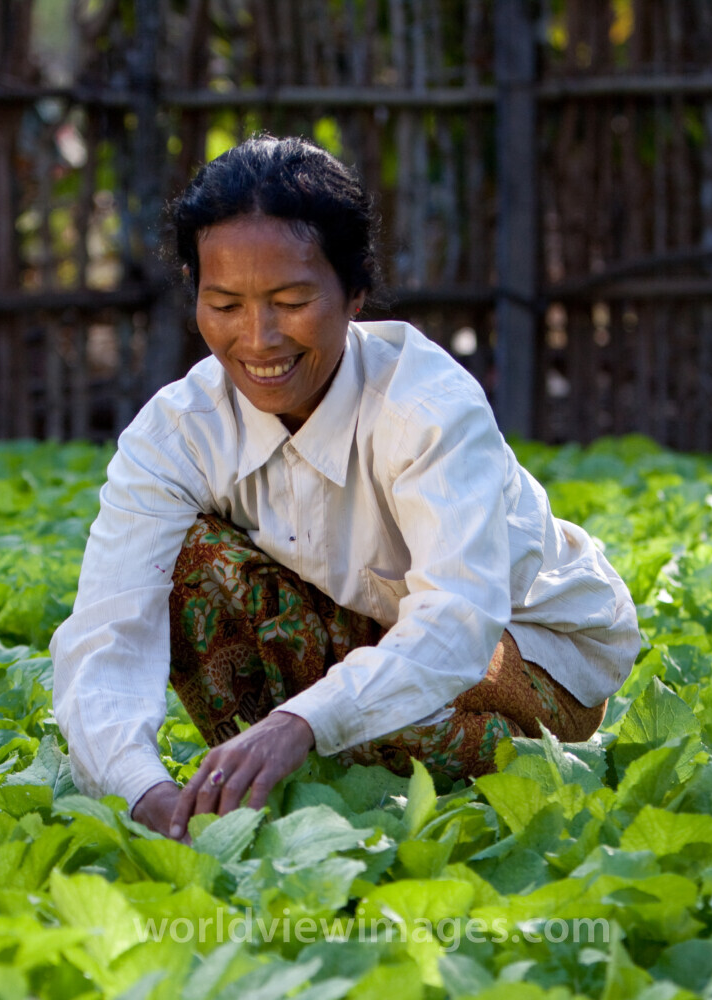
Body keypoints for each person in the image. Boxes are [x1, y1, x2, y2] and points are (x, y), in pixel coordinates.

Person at [50, 135, 643, 840]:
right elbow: (106, 631)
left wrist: (303, 719)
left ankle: (464, 773)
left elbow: (458, 623)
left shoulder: (426, 407)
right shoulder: (179, 430)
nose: (259, 337)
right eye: (225, 305)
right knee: (185, 561)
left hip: (530, 652)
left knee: (398, 713)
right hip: (360, 639)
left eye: (291, 300)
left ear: (353, 294)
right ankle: (275, 783)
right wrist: (137, 787)